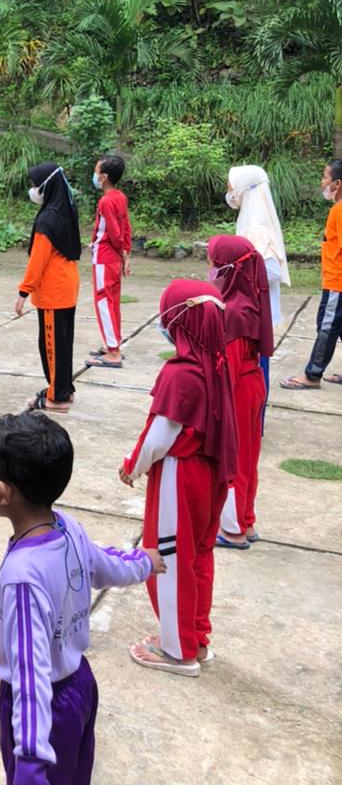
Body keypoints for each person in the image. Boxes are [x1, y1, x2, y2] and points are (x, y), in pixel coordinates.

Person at [0, 411, 162, 785]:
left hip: (48, 705)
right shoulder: (67, 528)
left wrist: (30, 771)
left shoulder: (22, 578)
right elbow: (106, 566)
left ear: (4, 493)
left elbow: (29, 679)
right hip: (79, 687)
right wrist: (143, 563)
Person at [119, 280, 238, 677]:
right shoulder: (218, 364)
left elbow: (160, 436)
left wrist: (132, 466)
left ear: (180, 323)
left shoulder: (181, 374)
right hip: (212, 474)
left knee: (168, 558)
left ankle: (176, 649)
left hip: (180, 475)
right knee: (200, 556)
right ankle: (197, 638)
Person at [207, 235, 273, 550]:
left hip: (238, 387)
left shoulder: (232, 311)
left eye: (214, 265)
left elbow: (228, 365)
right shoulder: (250, 299)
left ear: (229, 270)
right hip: (252, 385)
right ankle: (246, 519)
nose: (210, 271)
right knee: (248, 456)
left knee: (231, 456)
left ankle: (232, 529)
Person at [15, 164, 81, 414]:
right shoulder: (66, 209)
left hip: (54, 291)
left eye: (35, 185)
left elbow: (38, 261)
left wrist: (23, 291)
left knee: (51, 346)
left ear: (47, 186)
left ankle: (57, 397)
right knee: (63, 344)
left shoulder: (47, 219)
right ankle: (63, 388)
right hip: (66, 286)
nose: (33, 190)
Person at [225, 164, 289, 408]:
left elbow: (271, 270)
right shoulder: (249, 218)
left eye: (232, 188)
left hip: (255, 311)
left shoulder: (256, 226)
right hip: (252, 309)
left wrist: (235, 274)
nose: (230, 193)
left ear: (245, 188)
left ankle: (254, 418)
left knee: (256, 366)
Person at [280, 159, 342, 391]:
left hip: (338, 283)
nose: (322, 182)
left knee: (326, 327)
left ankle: (312, 375)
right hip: (334, 281)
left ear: (337, 183)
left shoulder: (340, 210)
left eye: (326, 177)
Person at [86, 154, 132, 368]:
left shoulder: (106, 201)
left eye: (96, 172)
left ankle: (113, 351)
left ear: (103, 177)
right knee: (112, 301)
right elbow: (125, 227)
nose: (94, 175)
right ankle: (112, 343)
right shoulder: (120, 197)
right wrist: (125, 254)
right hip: (113, 257)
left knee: (103, 301)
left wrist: (122, 251)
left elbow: (114, 233)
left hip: (105, 257)